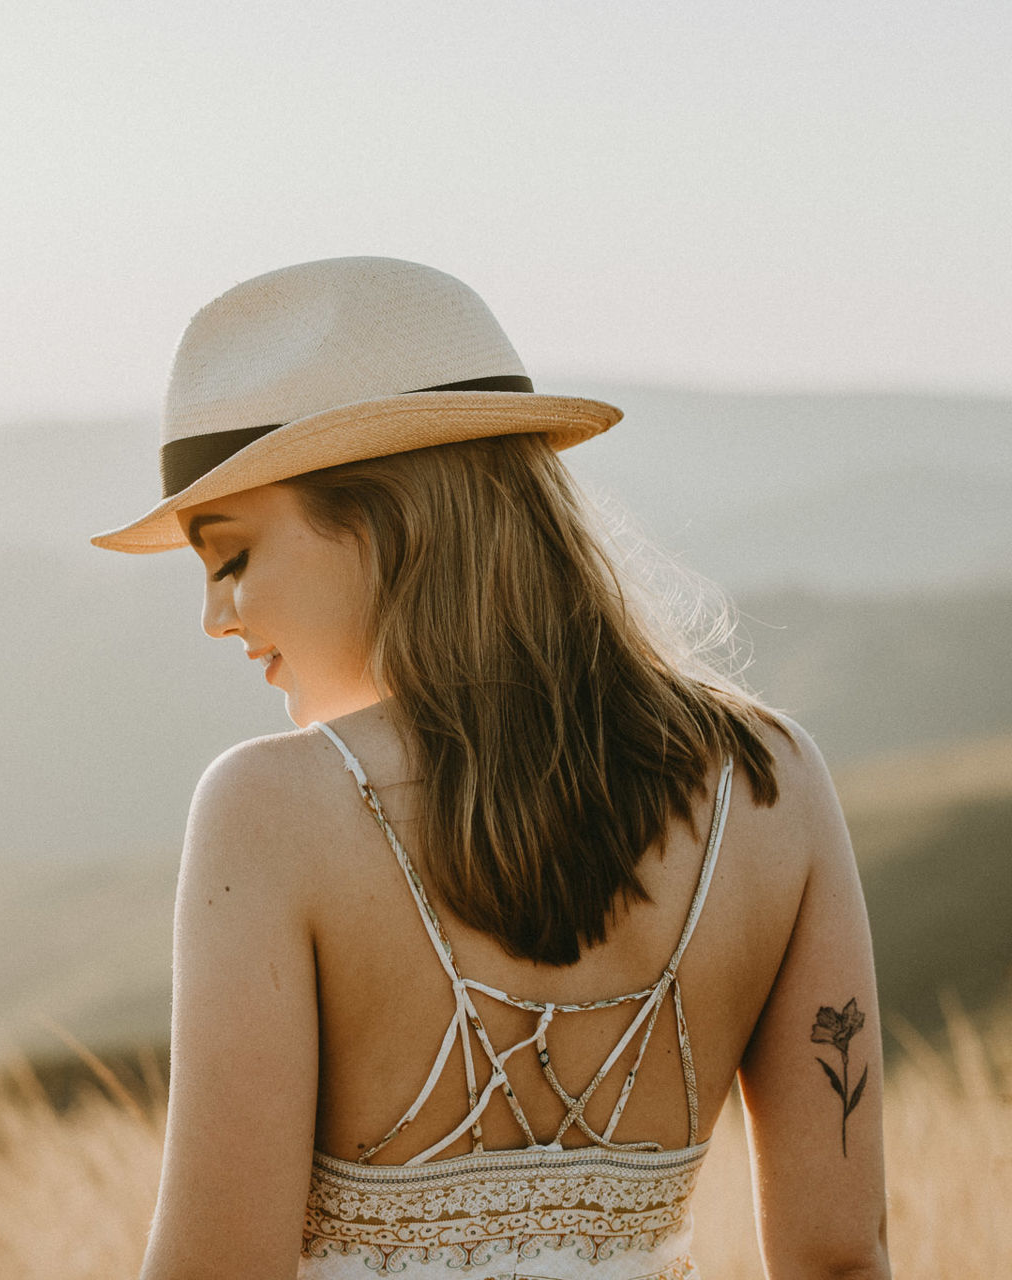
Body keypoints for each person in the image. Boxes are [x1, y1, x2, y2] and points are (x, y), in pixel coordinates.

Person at [94, 259, 889, 1279]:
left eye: (233, 554)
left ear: (387, 522)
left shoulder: (268, 811)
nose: (216, 616)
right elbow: (840, 1256)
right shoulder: (772, 781)